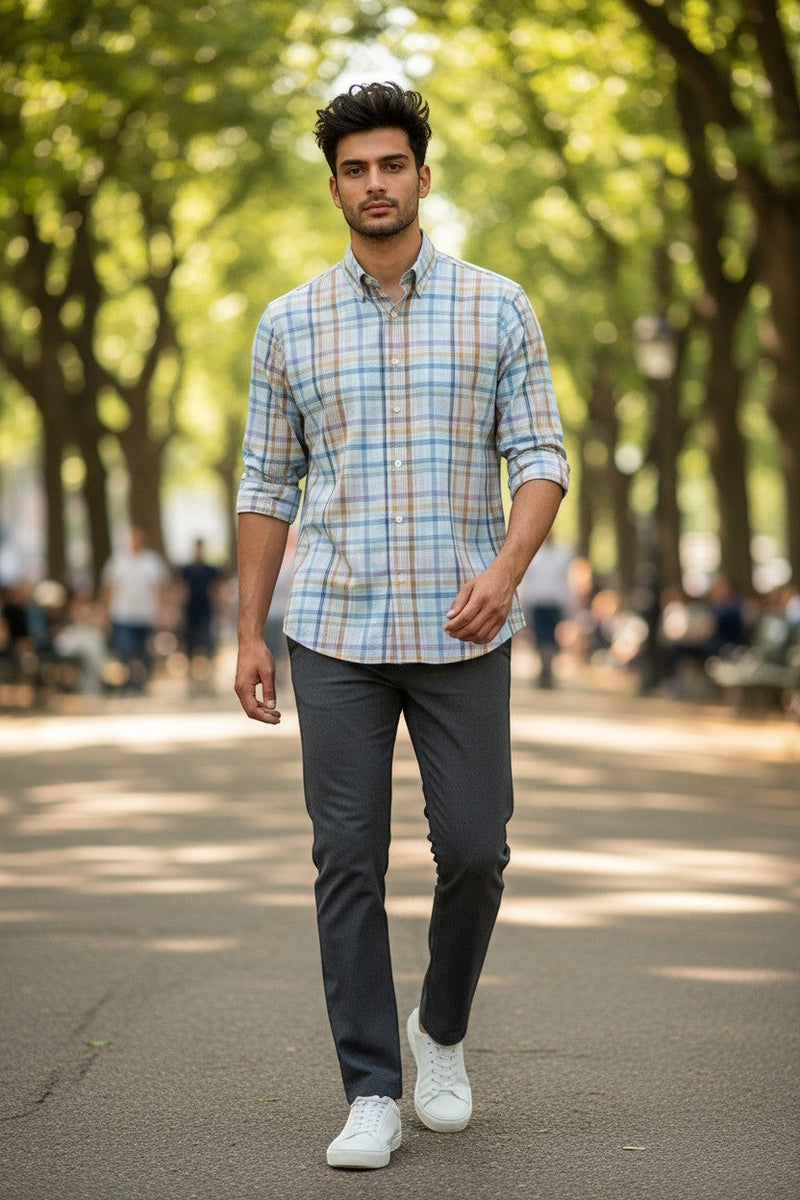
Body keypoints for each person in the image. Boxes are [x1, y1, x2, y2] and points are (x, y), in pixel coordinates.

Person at [234, 82, 569, 1170]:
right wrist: (247, 631)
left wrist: (506, 567)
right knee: (347, 859)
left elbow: (540, 457)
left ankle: (442, 1029)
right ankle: (371, 1085)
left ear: (423, 175)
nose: (373, 184)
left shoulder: (498, 306)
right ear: (332, 184)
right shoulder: (288, 323)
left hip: (463, 627)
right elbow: (263, 486)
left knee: (475, 849)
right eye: (352, 168)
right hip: (331, 626)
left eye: (390, 165)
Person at [100, 526, 170, 693]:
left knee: (144, 650)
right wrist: (105, 612)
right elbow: (108, 587)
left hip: (146, 614)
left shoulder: (152, 561)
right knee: (125, 648)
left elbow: (159, 588)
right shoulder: (118, 561)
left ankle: (141, 680)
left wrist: (162, 611)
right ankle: (130, 678)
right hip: (123, 613)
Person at [520, 535, 574, 687]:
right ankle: (547, 668)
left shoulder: (535, 558)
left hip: (540, 602)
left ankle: (545, 668)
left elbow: (527, 585)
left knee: (543, 637)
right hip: (552, 602)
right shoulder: (562, 557)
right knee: (548, 638)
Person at [179, 538, 221, 694]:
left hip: (206, 611)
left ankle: (210, 679)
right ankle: (190, 679)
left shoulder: (211, 570)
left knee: (208, 644)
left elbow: (215, 590)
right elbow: (181, 589)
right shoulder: (186, 570)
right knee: (190, 646)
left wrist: (219, 609)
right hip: (190, 612)